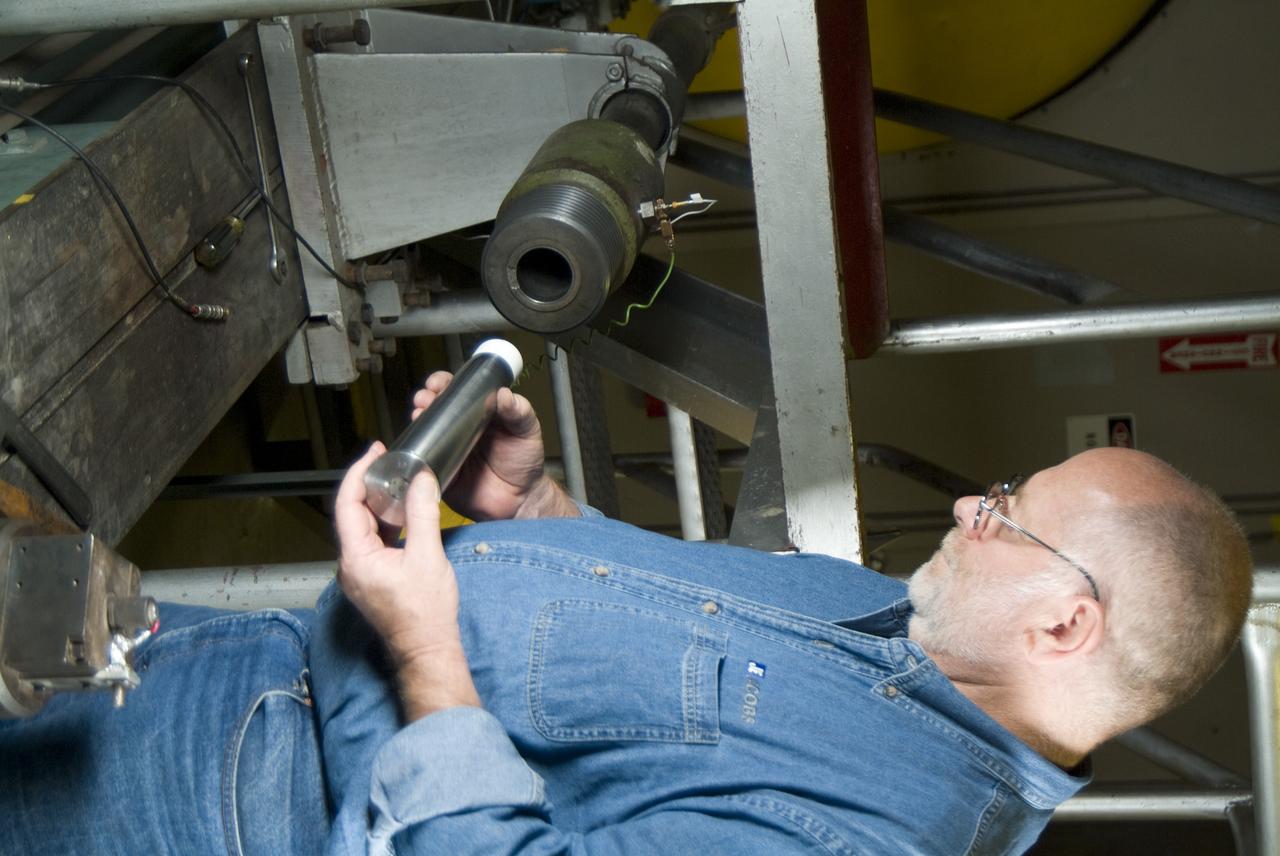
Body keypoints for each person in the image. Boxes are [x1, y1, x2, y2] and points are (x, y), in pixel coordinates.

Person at [0, 373, 1254, 855]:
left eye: (1010, 513)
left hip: (213, 808)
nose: (975, 506)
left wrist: (425, 637)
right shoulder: (907, 629)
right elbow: (669, 645)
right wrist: (533, 505)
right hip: (246, 662)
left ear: (1062, 627)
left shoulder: (876, 838)